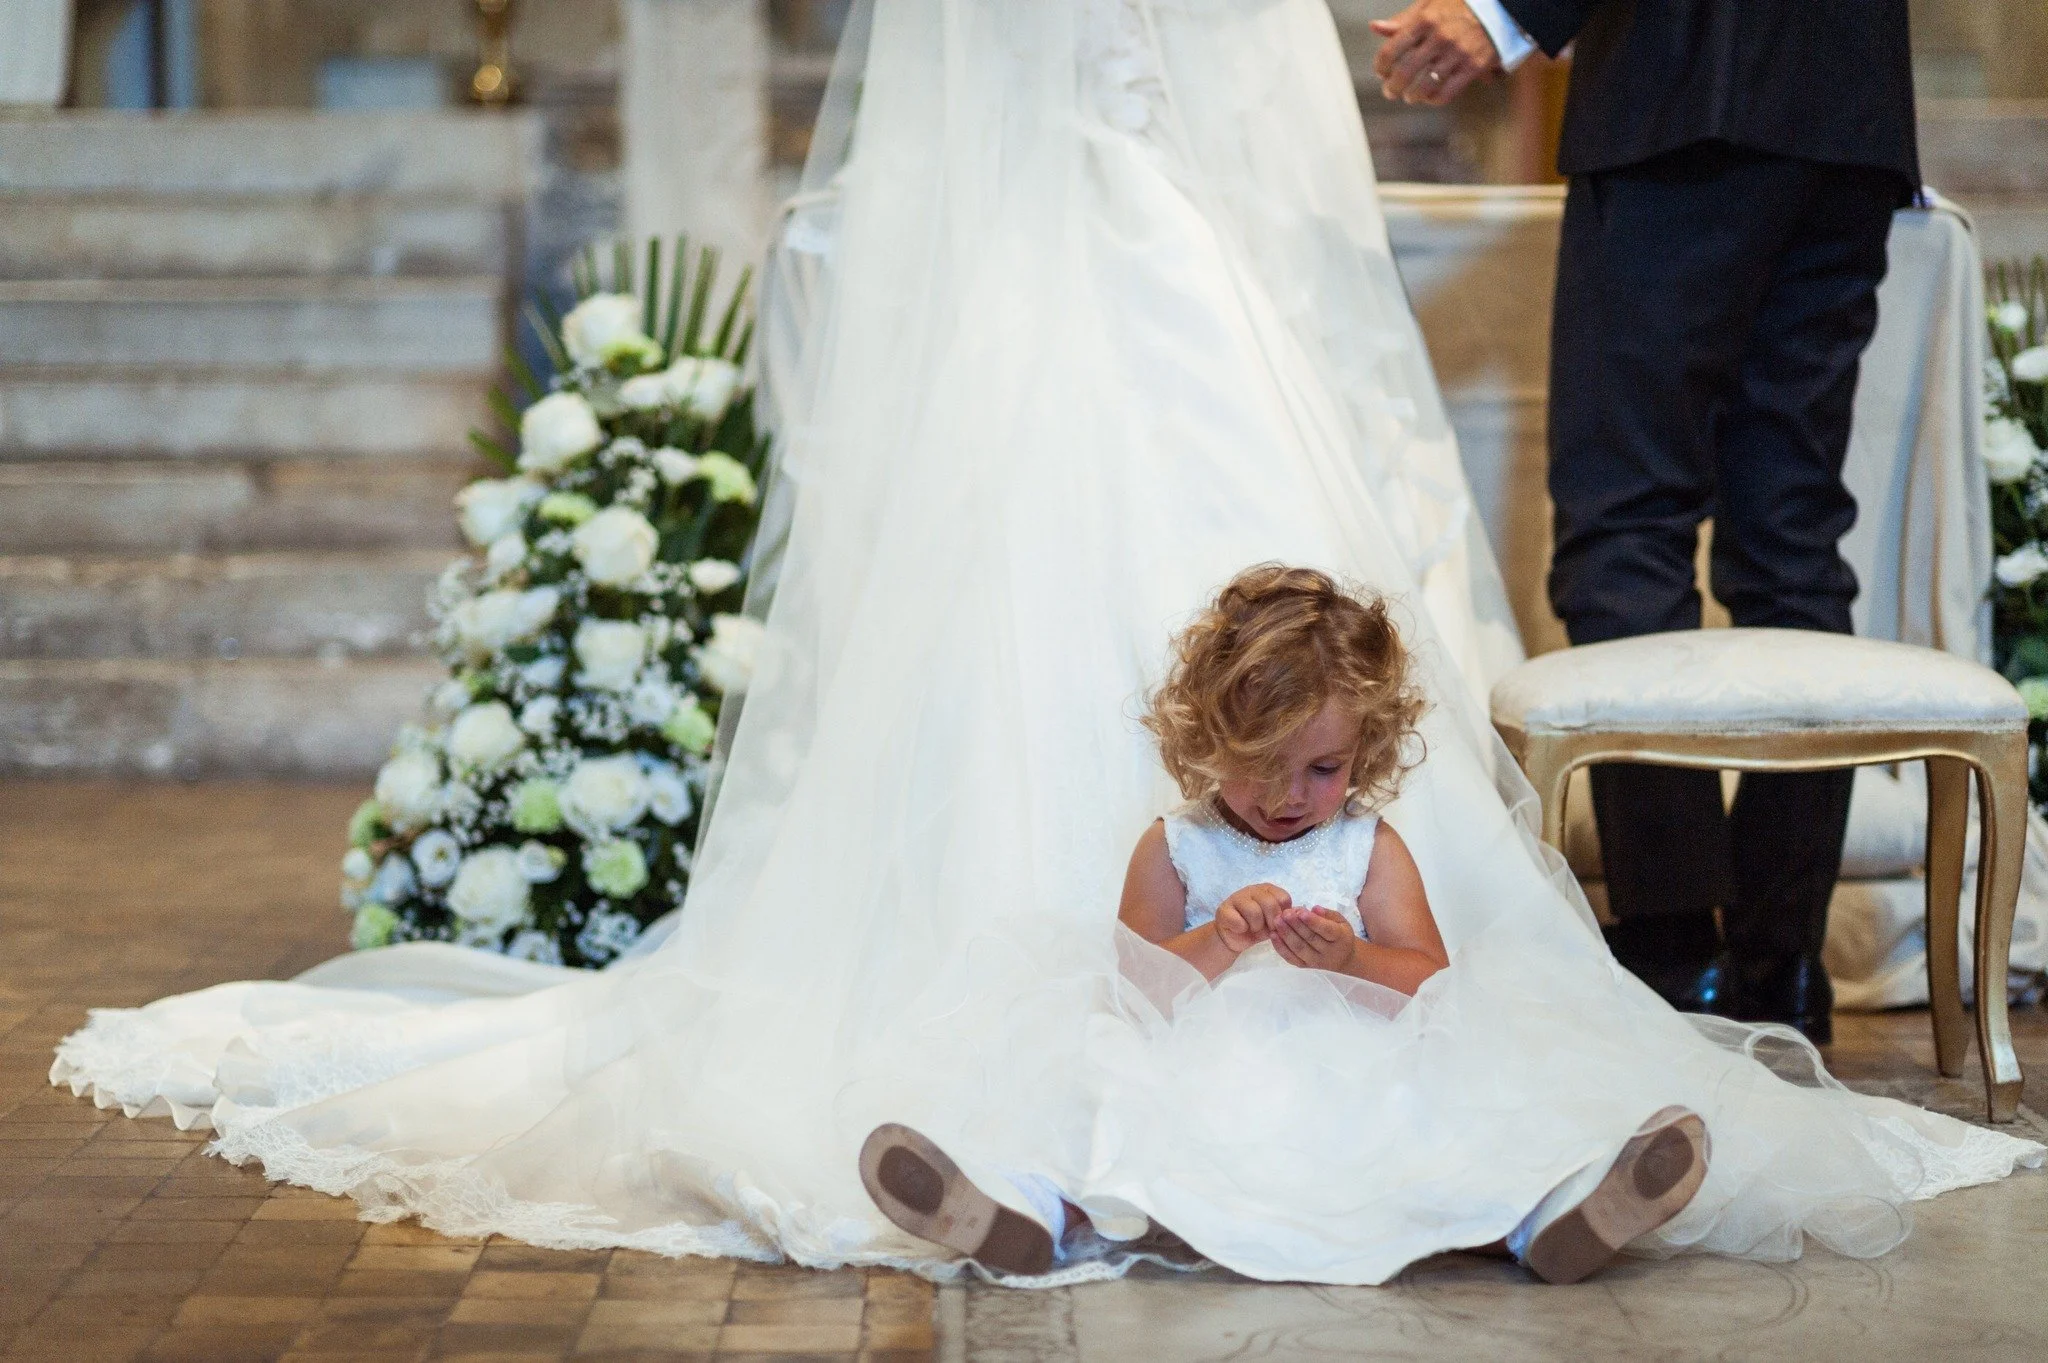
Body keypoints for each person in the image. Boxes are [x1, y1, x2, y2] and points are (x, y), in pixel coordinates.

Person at [50, 0, 2036, 1287]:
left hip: (1132, 279)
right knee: (1751, 545)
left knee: (1410, 680)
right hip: (1195, 270)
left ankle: (1516, 1146)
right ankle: (1133, 1162)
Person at [862, 566, 1712, 1288]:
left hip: (1354, 1075)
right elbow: (1131, 992)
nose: (1287, 795)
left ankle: (1549, 1213)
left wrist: (1351, 956)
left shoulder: (1368, 847)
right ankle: (1025, 1210)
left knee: (1437, 1137)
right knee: (1099, 1112)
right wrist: (1219, 940)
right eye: (1259, 763)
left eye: (1322, 767)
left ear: (1365, 750)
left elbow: (1430, 982)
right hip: (1199, 1083)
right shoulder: (1176, 847)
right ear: (1208, 736)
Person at [1365, 0, 1921, 1042]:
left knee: (1627, 525)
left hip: (1690, 86)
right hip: (1846, 106)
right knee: (1791, 539)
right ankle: (1782, 961)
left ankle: (1674, 946)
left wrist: (1511, 13)